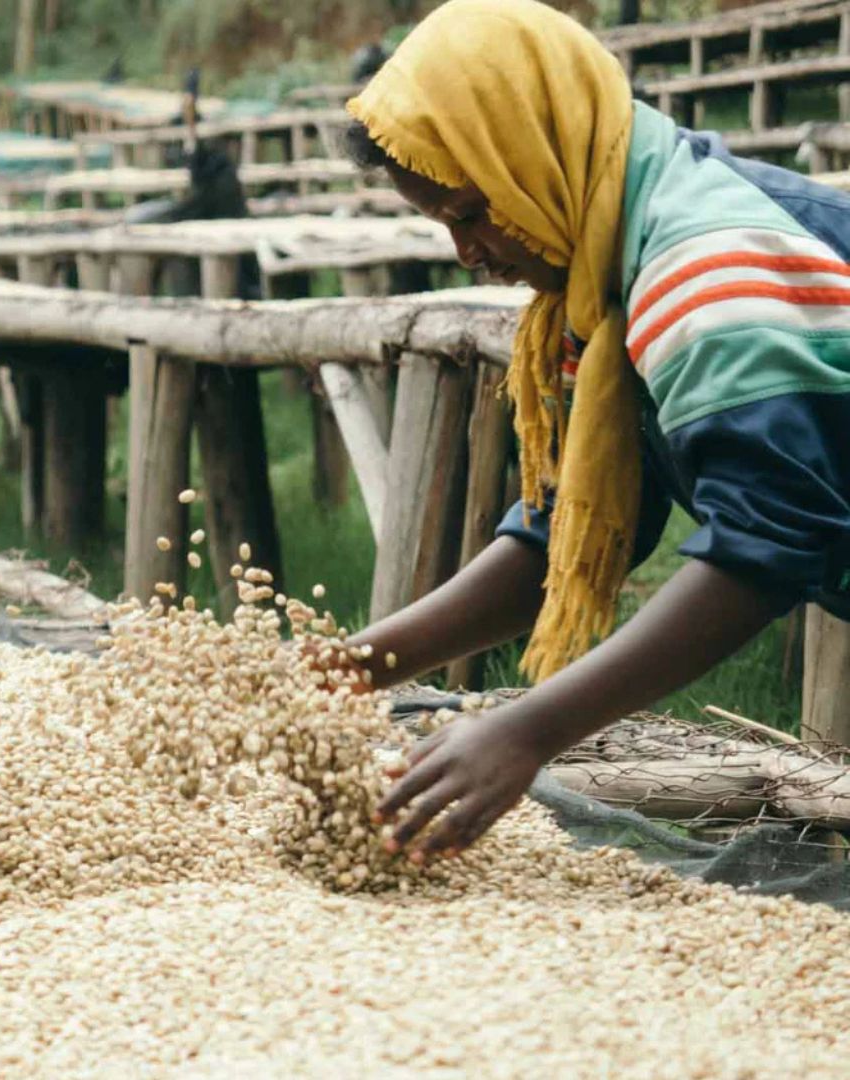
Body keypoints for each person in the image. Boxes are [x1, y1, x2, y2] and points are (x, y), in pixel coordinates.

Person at [332, 0, 850, 861]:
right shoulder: (612, 243)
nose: (467, 252)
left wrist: (527, 732)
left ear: (528, 151)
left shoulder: (704, 269)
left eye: (468, 212)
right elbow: (578, 522)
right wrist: (359, 666)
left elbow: (774, 538)